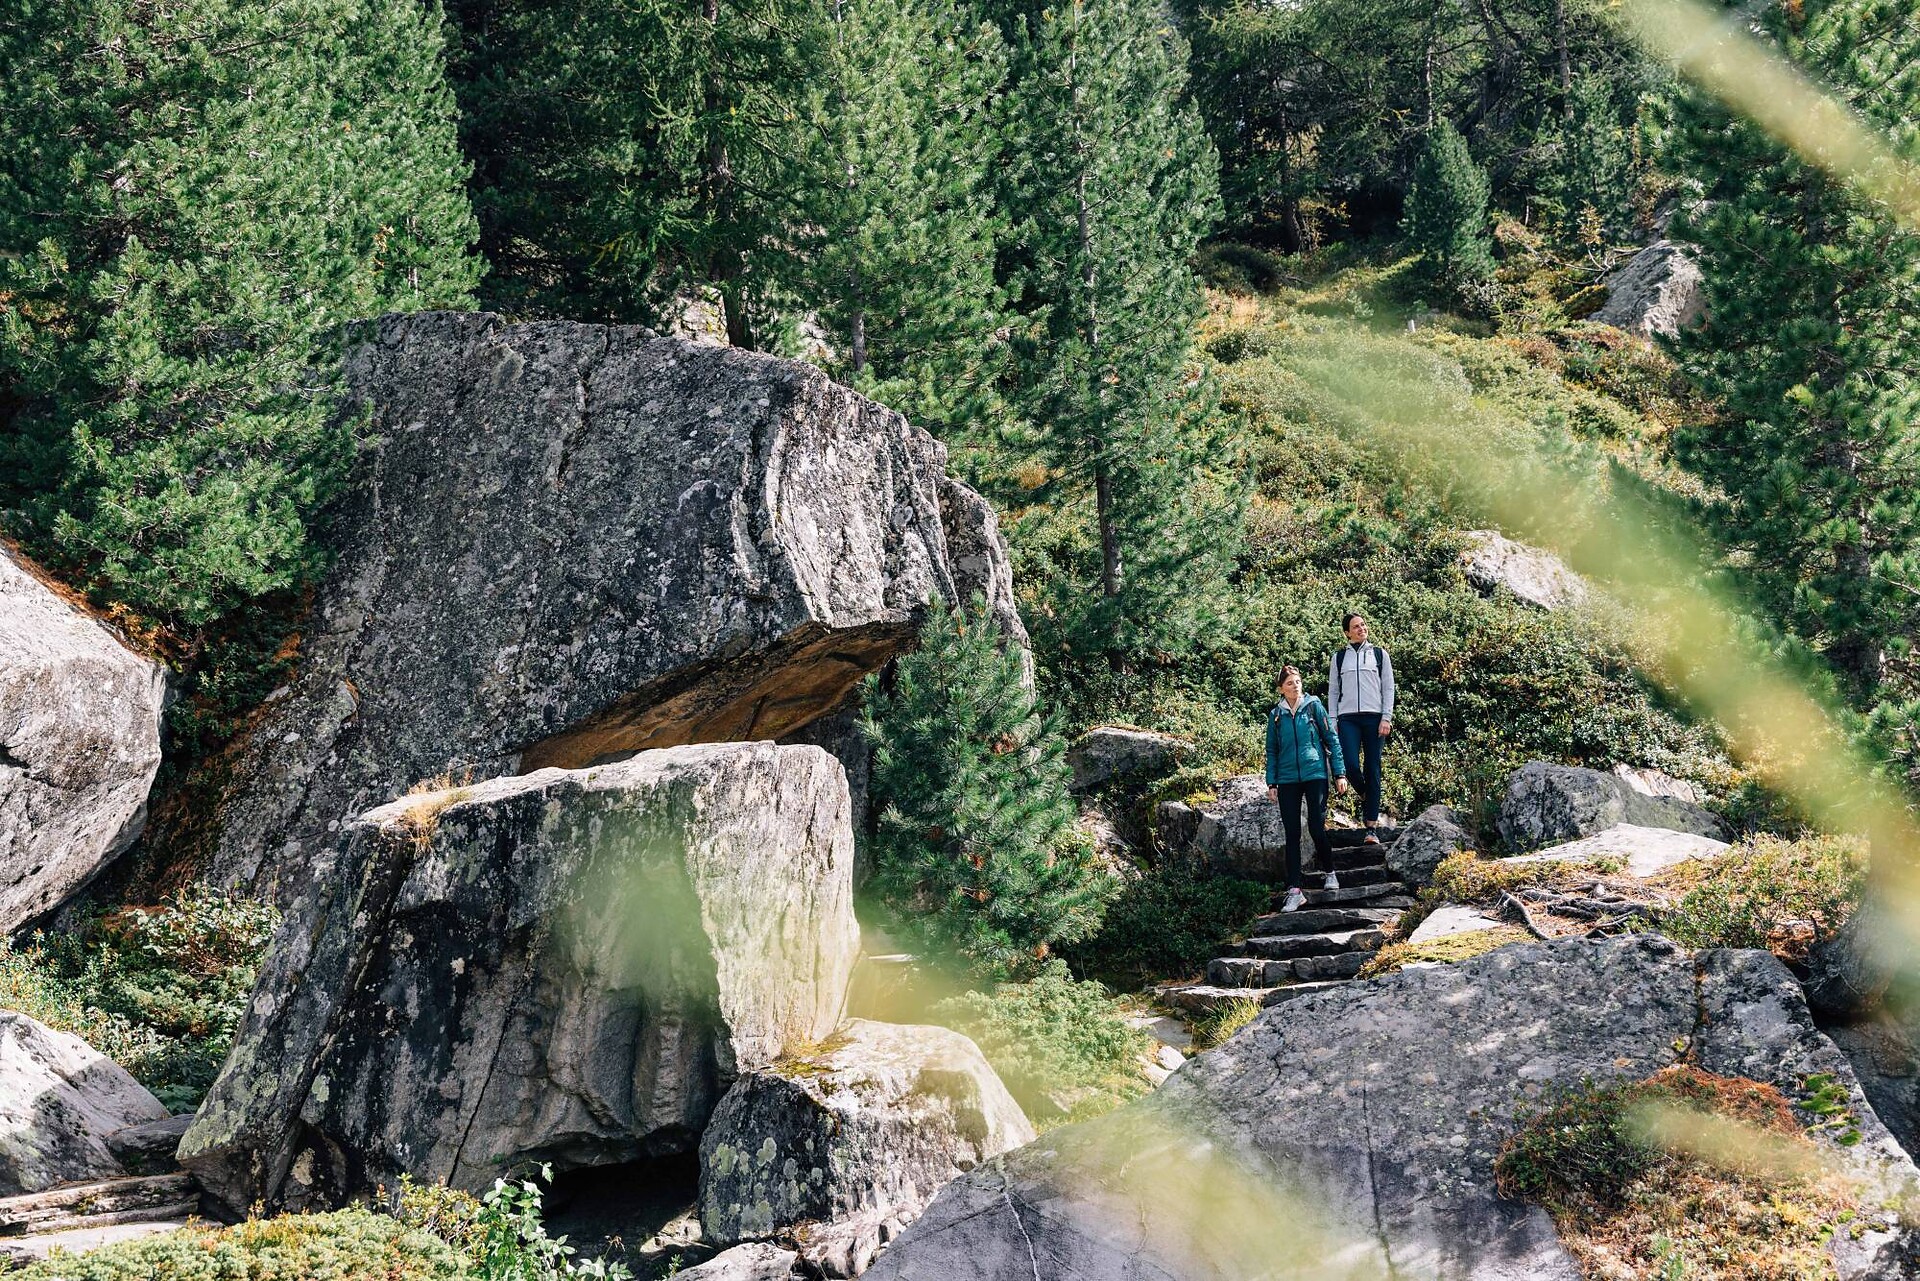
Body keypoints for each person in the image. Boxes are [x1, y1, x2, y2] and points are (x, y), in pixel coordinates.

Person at [1264, 664, 1349, 914]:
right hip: (1288, 778)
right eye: (1290, 683)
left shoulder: (1313, 706)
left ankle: (1330, 872)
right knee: (1292, 834)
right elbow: (1272, 750)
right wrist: (1272, 782)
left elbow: (1331, 739)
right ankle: (1294, 891)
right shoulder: (1276, 716)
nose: (1296, 686)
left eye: (1298, 681)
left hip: (1315, 774)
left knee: (1315, 826)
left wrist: (1340, 773)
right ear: (1281, 689)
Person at [1327, 612, 1394, 844]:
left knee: (1372, 768)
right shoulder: (1338, 658)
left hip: (1374, 718)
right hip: (1348, 719)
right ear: (1347, 632)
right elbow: (1334, 691)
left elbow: (1388, 689)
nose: (1361, 629)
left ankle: (1371, 829)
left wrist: (1386, 717)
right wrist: (1332, 720)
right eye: (1356, 627)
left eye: (1363, 625)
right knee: (1350, 764)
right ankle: (1368, 796)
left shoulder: (1379, 655)